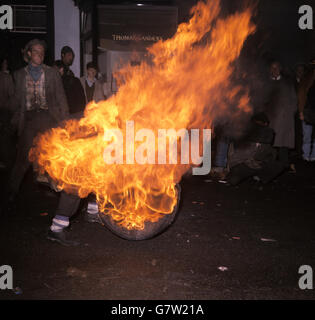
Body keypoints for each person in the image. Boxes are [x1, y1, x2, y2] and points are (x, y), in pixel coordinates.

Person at [7, 39, 69, 202]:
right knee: (23, 157)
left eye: (42, 52)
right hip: (28, 119)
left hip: (48, 117)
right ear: (29, 53)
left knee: (53, 152)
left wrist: (65, 121)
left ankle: (61, 189)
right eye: (36, 51)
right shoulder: (19, 75)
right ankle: (12, 191)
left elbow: (61, 97)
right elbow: (15, 100)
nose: (40, 54)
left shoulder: (52, 73)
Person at [226, 112, 285, 186]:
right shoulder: (267, 133)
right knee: (277, 163)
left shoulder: (242, 131)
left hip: (239, 167)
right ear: (265, 123)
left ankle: (251, 176)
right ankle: (258, 177)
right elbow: (268, 155)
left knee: (274, 162)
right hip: (246, 166)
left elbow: (231, 153)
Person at [264, 61, 297, 168]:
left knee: (284, 143)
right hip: (270, 118)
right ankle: (270, 167)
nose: (274, 70)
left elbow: (294, 99)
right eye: (272, 68)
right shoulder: (266, 84)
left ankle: (284, 165)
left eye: (276, 68)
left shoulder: (287, 83)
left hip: (284, 118)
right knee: (271, 143)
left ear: (280, 69)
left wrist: (291, 112)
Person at [297, 57, 315, 161]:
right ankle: (306, 155)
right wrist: (301, 111)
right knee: (307, 135)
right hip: (307, 111)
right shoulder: (306, 79)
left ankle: (313, 155)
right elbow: (301, 95)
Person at [0, 57, 15, 169]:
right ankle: (5, 161)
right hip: (5, 110)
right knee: (5, 137)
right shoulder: (7, 77)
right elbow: (12, 94)